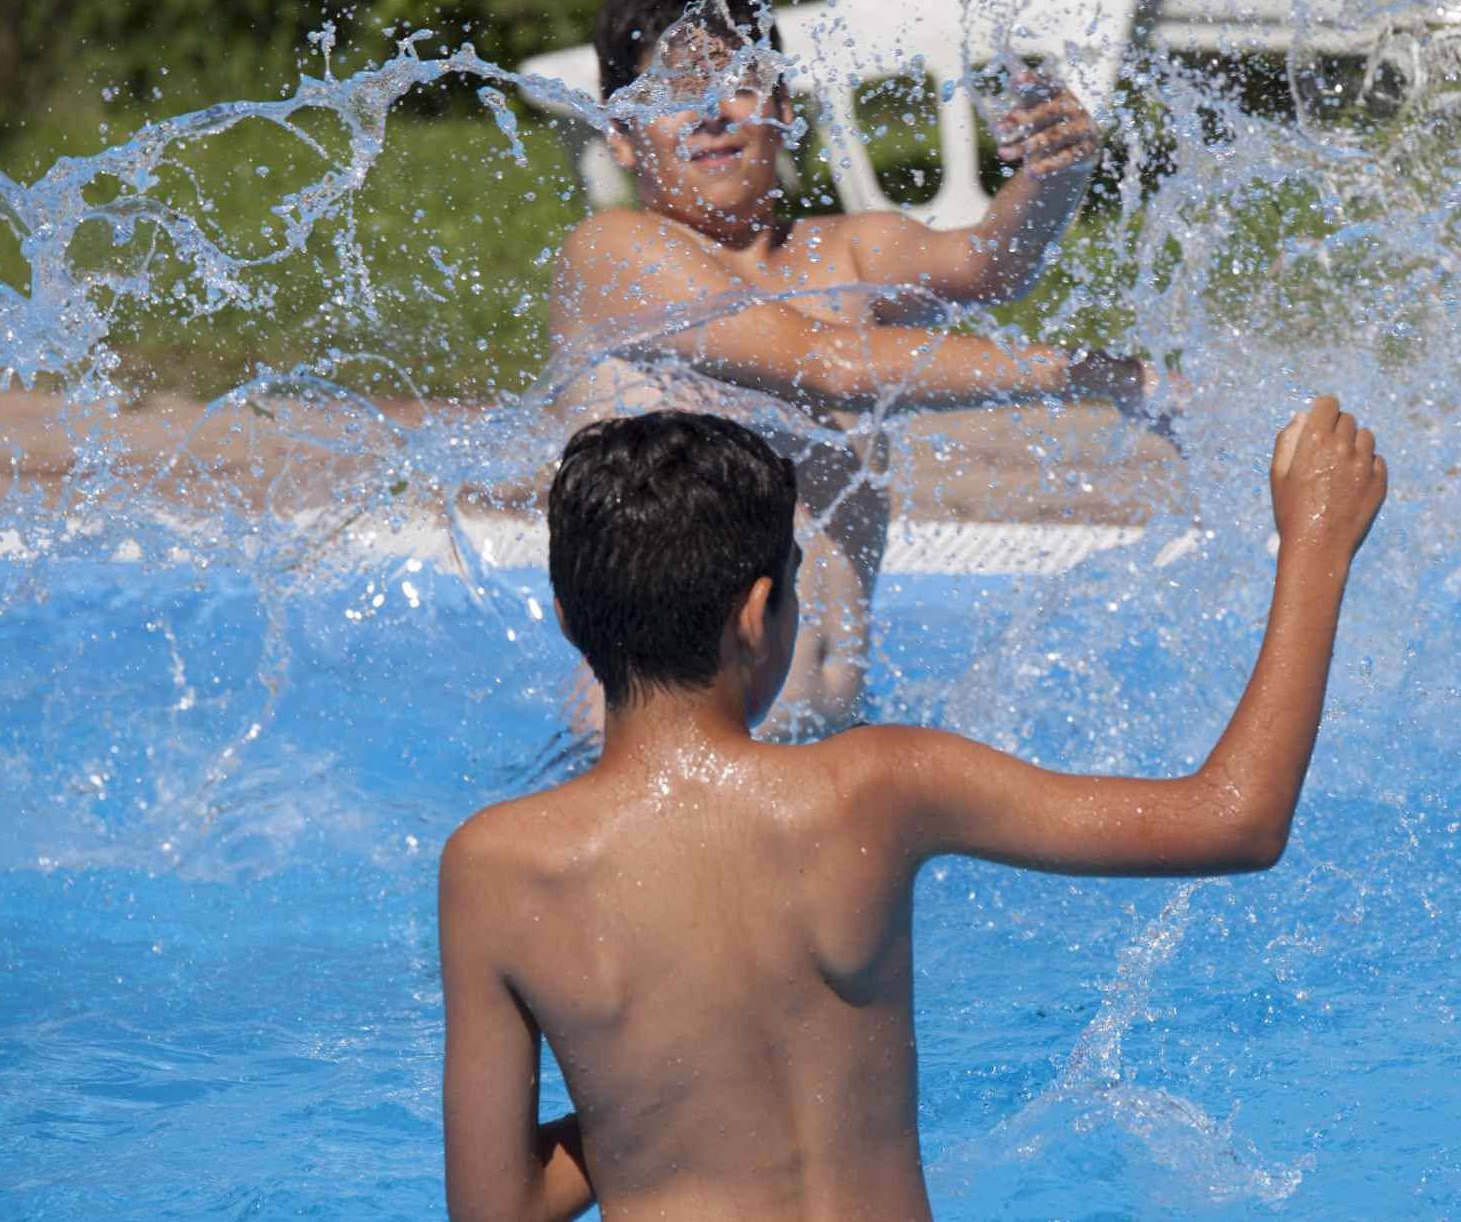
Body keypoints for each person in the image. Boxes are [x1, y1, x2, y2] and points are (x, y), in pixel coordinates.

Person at [439, 396, 1387, 1221]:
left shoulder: (497, 867)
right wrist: (1316, 544)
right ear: (758, 614)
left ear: (568, 615)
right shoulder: (875, 789)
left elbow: (498, 1208)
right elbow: (1235, 817)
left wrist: (655, 1095)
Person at [549, 0, 1173, 737]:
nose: (711, 113)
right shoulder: (613, 255)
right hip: (658, 763)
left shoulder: (846, 252)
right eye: (673, 94)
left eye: (739, 82)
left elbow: (993, 264)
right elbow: (831, 365)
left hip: (827, 752)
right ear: (621, 136)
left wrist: (1056, 171)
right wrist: (1090, 375)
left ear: (782, 104)